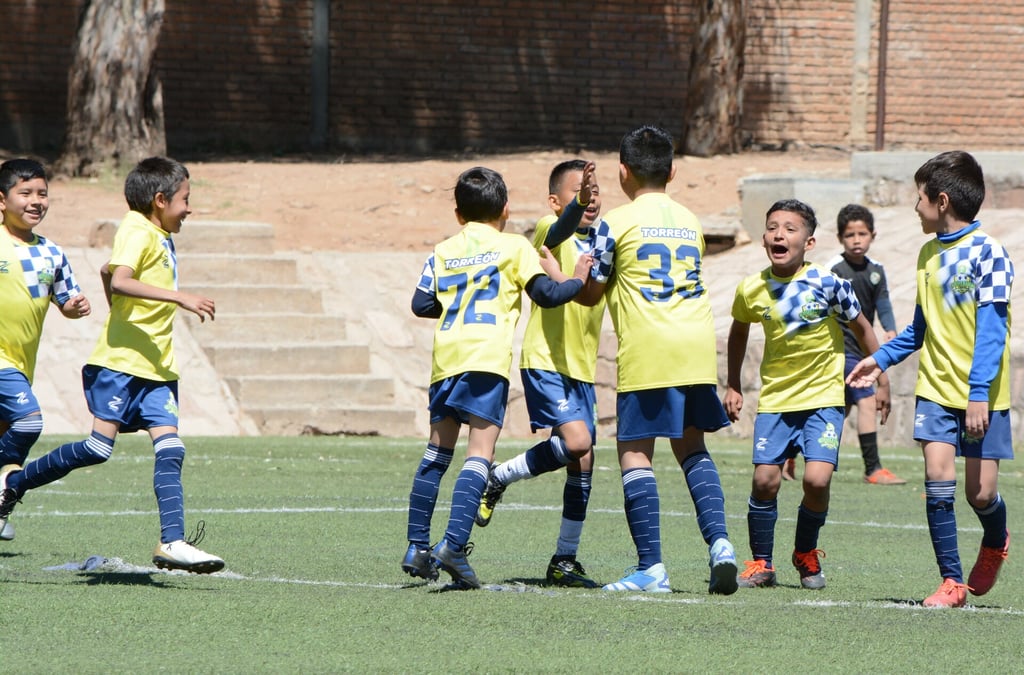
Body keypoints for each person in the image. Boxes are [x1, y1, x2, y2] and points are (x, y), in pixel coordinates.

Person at [0, 156, 225, 574]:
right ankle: (13, 483)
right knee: (96, 449)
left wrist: (114, 310)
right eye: (185, 200)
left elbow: (107, 274)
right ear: (160, 200)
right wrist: (181, 298)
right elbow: (119, 277)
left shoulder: (158, 233)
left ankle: (171, 542)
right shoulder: (137, 229)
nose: (189, 208)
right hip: (120, 364)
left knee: (172, 449)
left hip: (157, 367)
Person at [401, 166, 591, 589]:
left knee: (436, 454)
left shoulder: (443, 249)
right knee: (479, 455)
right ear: (506, 209)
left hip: (446, 359)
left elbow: (420, 303)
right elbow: (547, 294)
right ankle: (452, 545)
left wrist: (455, 306)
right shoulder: (514, 247)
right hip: (486, 360)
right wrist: (577, 278)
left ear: (457, 214)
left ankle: (416, 545)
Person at [575, 125, 738, 595]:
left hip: (649, 347)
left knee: (634, 453)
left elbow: (591, 295)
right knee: (692, 448)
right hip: (695, 345)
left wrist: (561, 273)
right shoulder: (689, 221)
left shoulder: (615, 223)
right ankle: (721, 545)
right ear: (672, 171)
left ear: (622, 171)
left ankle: (651, 568)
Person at [848, 150, 1013, 608]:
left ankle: (997, 539)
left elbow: (993, 333)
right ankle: (951, 582)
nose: (914, 207)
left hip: (983, 395)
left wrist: (978, 394)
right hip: (936, 392)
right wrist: (879, 359)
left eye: (918, 198)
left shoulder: (990, 253)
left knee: (981, 495)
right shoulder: (926, 255)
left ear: (941, 201)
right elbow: (920, 331)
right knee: (938, 484)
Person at [724, 199, 890, 590]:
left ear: (810, 242)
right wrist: (732, 383)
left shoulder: (830, 283)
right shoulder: (752, 289)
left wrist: (880, 376)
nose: (780, 234)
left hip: (823, 400)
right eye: (773, 227)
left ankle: (805, 552)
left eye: (790, 228)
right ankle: (761, 563)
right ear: (764, 237)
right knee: (765, 480)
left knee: (816, 480)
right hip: (777, 402)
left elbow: (864, 329)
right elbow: (738, 332)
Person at [473, 159, 608, 588]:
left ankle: (564, 560)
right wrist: (574, 213)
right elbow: (564, 230)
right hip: (547, 358)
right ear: (555, 201)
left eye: (595, 191)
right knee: (577, 441)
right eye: (579, 192)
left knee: (583, 459)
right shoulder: (549, 232)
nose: (590, 198)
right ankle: (498, 477)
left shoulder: (606, 241)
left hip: (582, 366)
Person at [0, 159, 92, 542]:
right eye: (25, 193)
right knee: (29, 422)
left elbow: (65, 300)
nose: (36, 201)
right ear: (2, 200)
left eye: (42, 193)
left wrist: (74, 307)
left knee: (7, 444)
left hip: (21, 363)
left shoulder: (51, 253)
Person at [783, 204, 906, 485]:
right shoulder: (833, 270)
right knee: (866, 400)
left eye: (862, 234)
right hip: (840, 351)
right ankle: (873, 468)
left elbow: (882, 302)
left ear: (872, 235)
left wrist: (889, 328)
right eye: (850, 235)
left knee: (835, 413)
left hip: (861, 351)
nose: (856, 240)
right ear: (840, 238)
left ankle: (791, 454)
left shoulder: (876, 271)